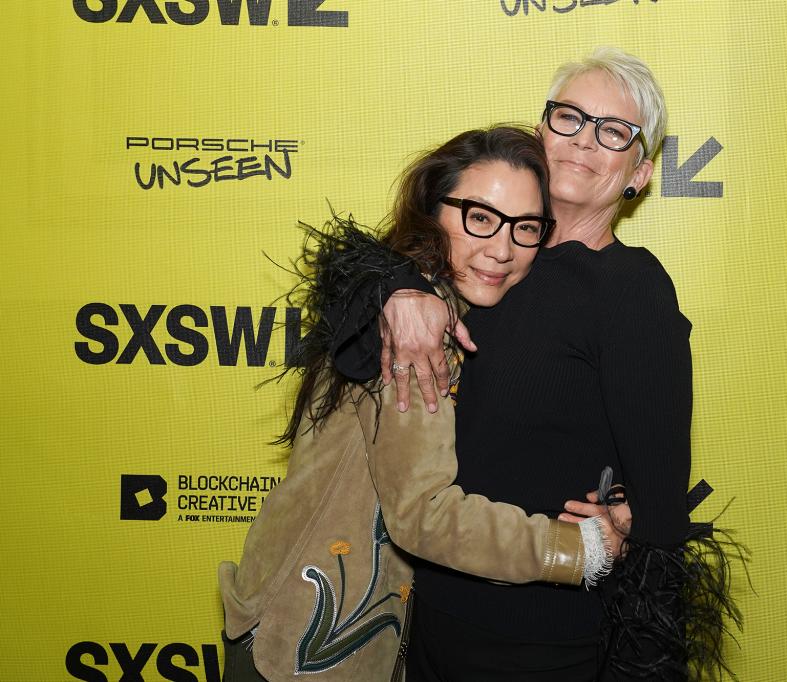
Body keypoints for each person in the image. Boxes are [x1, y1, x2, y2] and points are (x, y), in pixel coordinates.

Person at [346, 48, 740, 680]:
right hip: (415, 621)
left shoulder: (630, 289)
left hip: (544, 645)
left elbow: (662, 510)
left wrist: (632, 515)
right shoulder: (478, 256)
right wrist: (400, 288)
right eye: (570, 118)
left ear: (639, 172)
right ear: (540, 132)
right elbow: (348, 301)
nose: (585, 141)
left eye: (614, 132)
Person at [218, 126, 623, 682]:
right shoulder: (415, 331)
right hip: (303, 644)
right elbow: (424, 516)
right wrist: (582, 550)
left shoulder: (428, 300)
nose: (501, 248)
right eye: (479, 217)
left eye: (525, 228)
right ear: (433, 210)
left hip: (347, 631)